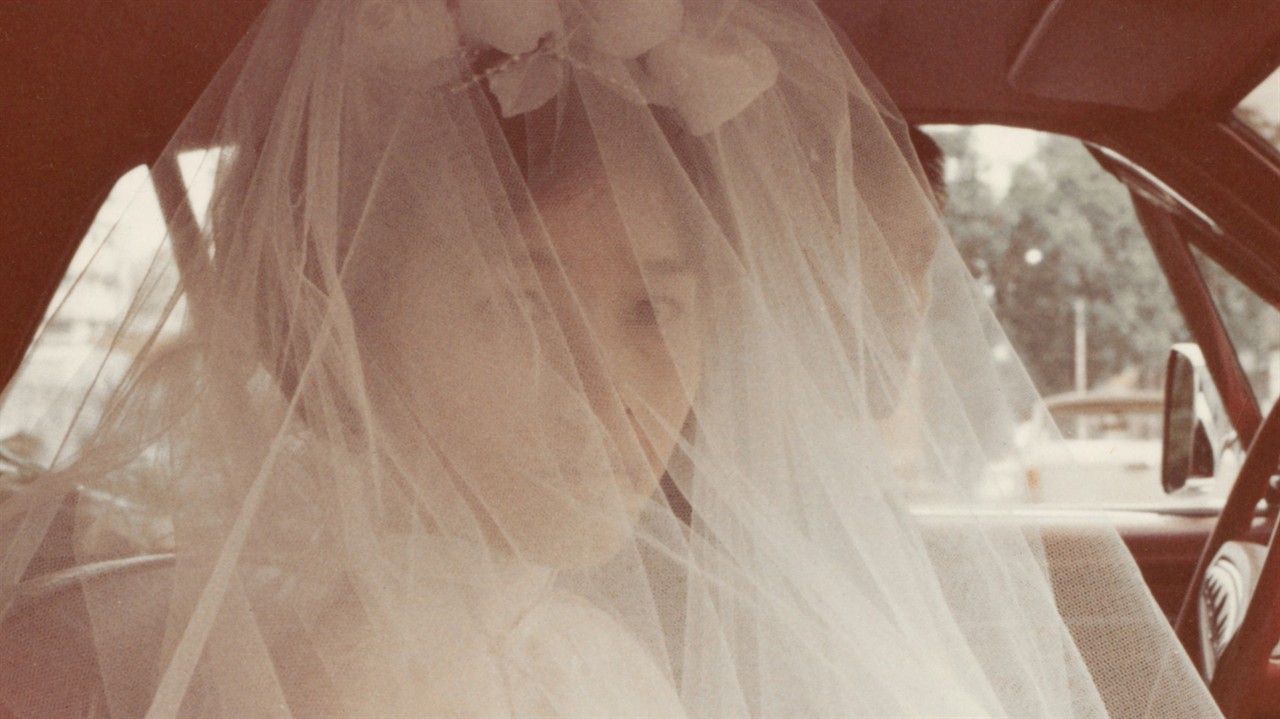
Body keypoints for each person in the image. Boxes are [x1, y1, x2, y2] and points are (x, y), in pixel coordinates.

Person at [0, 0, 1220, 716]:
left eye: (656, 310)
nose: (610, 391)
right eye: (525, 310)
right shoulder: (406, 672)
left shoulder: (550, 641)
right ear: (340, 332)